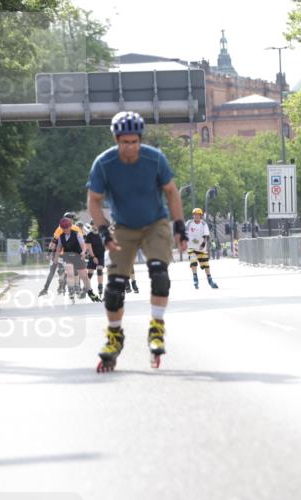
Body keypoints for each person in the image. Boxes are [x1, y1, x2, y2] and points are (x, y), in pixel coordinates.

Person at [87, 110, 188, 370]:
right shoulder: (104, 163)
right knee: (114, 287)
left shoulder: (155, 159)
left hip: (155, 222)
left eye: (134, 142)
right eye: (125, 142)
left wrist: (179, 226)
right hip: (123, 226)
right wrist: (102, 231)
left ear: (140, 140)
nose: (130, 147)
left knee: (159, 274)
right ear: (116, 140)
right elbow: (94, 200)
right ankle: (114, 336)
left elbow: (172, 193)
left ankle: (156, 327)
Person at [53, 217, 100, 303]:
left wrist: (83, 252)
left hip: (78, 256)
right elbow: (58, 249)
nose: (65, 229)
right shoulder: (61, 237)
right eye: (63, 228)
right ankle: (71, 291)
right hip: (67, 256)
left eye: (67, 227)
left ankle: (90, 293)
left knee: (84, 277)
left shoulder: (77, 234)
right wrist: (56, 257)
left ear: (70, 226)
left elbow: (83, 245)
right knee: (70, 272)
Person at [38, 212, 81, 297]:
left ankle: (72, 287)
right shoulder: (60, 228)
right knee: (53, 271)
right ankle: (46, 288)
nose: (71, 221)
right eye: (70, 219)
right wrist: (49, 252)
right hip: (58, 253)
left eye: (72, 219)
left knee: (70, 271)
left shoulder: (76, 228)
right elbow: (54, 241)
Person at [185, 208, 219, 289]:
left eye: (198, 215)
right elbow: (185, 233)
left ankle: (210, 280)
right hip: (191, 247)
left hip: (201, 249)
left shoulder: (204, 224)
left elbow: (206, 235)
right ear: (193, 215)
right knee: (193, 262)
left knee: (206, 265)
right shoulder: (189, 223)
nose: (196, 216)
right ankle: (195, 278)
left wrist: (203, 243)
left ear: (201, 216)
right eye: (195, 215)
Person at [85, 221, 105, 298]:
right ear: (91, 225)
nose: (95, 226)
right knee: (90, 273)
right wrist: (93, 257)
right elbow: (89, 247)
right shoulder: (89, 235)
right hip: (92, 256)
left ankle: (100, 287)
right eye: (93, 224)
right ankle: (87, 287)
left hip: (101, 256)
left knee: (99, 269)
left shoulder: (101, 233)